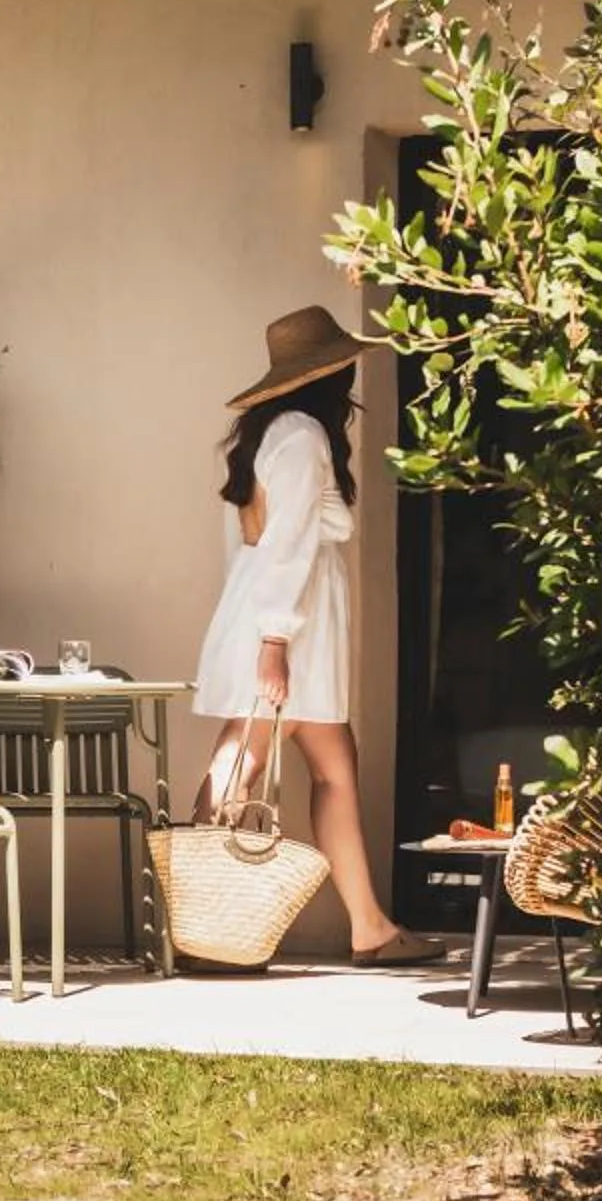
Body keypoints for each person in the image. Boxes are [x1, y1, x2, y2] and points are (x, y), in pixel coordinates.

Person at [193, 303, 439, 966]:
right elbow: (291, 543)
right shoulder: (301, 434)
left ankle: (368, 927)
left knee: (326, 769)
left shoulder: (264, 434)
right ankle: (201, 925)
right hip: (290, 634)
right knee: (242, 764)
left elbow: (249, 546)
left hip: (284, 626)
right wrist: (274, 641)